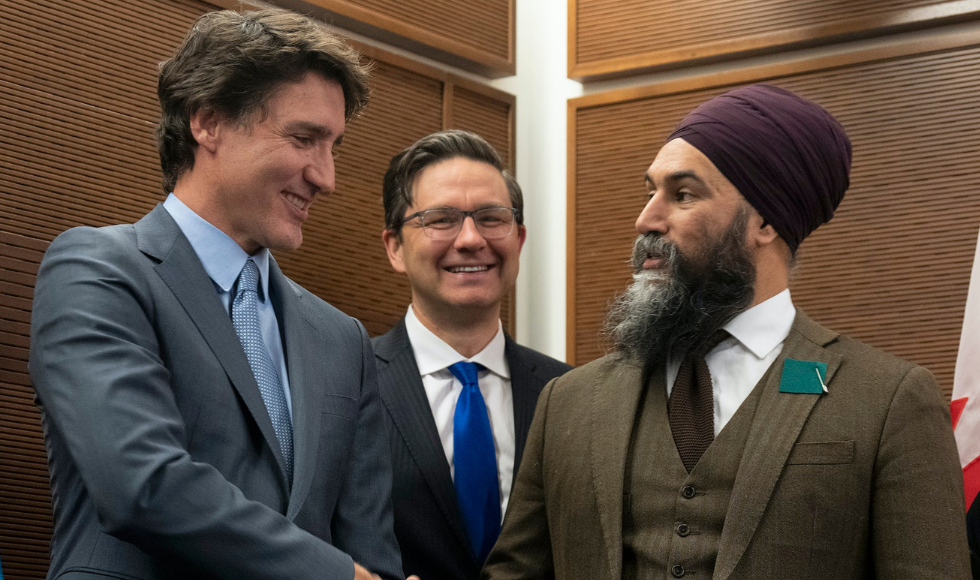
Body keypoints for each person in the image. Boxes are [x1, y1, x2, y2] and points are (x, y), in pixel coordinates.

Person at [483, 84, 970, 579]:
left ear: (764, 221)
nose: (645, 219)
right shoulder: (568, 401)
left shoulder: (886, 400)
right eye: (650, 191)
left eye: (683, 195)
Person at [29, 9, 406, 580]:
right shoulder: (97, 270)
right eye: (304, 139)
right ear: (208, 123)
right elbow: (143, 485)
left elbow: (369, 550)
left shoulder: (342, 338)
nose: (326, 176)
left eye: (333, 147)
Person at [375, 130, 572, 580]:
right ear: (395, 247)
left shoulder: (570, 396)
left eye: (491, 218)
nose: (470, 239)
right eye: (441, 219)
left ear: (519, 240)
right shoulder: (345, 384)